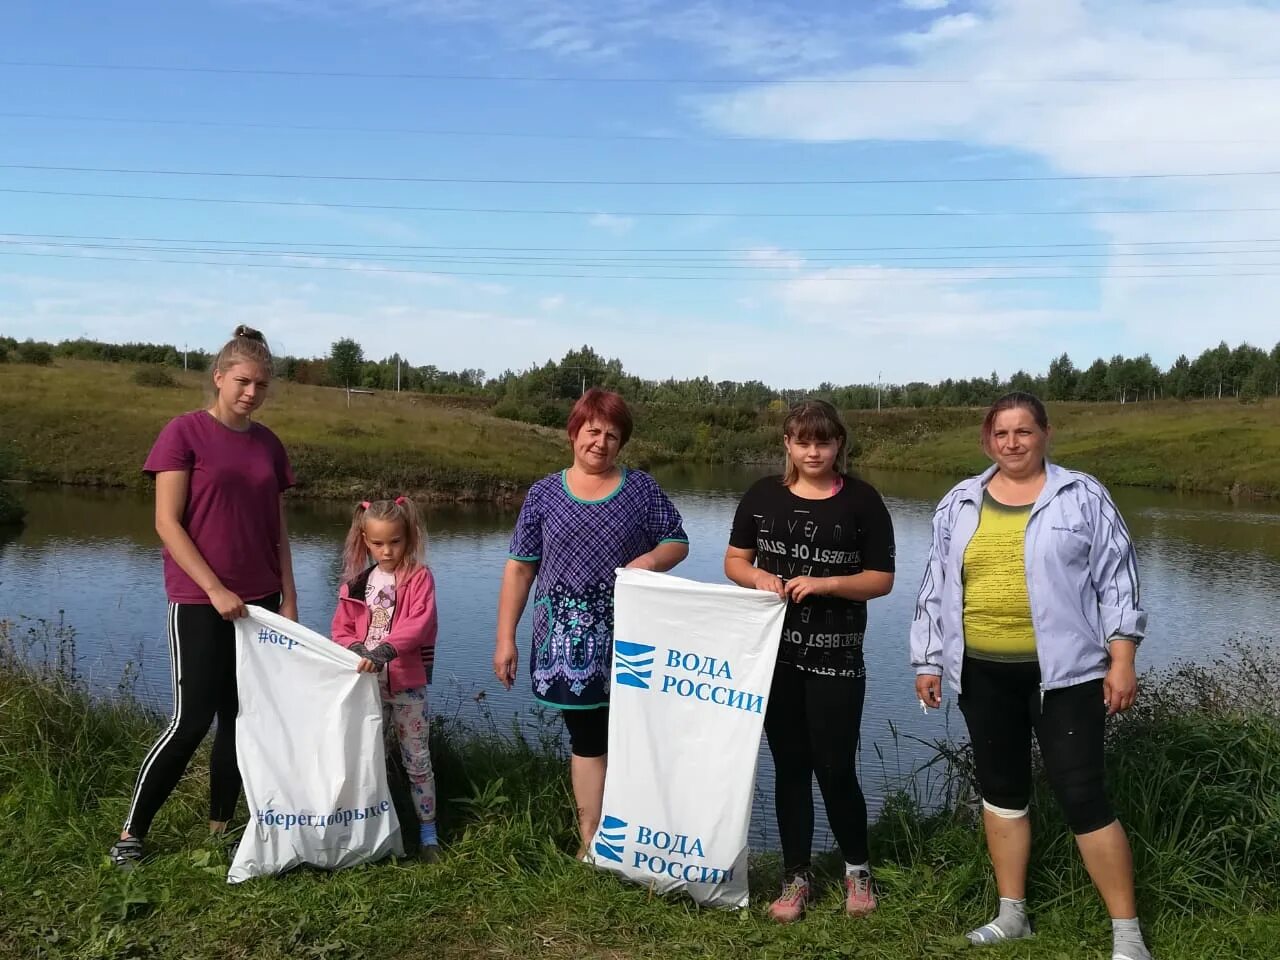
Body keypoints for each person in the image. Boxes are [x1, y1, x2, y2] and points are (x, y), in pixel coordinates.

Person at [910, 392, 1152, 960]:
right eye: (1001, 434)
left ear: (1046, 433)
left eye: (1024, 432)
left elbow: (1117, 580)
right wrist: (928, 659)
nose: (1012, 443)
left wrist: (1122, 657)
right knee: (1001, 793)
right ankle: (1011, 914)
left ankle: (1127, 934)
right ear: (986, 440)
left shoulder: (1082, 495)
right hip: (982, 673)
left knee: (1083, 794)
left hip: (1066, 676)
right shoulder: (959, 502)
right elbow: (934, 585)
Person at [110, 326, 296, 869]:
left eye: (261, 385)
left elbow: (278, 528)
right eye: (242, 381)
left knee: (241, 719)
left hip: (261, 599)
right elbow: (166, 522)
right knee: (191, 719)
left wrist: (287, 597)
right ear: (218, 377)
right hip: (199, 598)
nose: (251, 393)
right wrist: (215, 589)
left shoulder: (269, 443)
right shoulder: (183, 433)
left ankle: (221, 826)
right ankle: (131, 835)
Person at [493, 388, 689, 857]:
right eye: (593, 431)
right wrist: (506, 638)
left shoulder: (641, 489)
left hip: (631, 636)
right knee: (587, 737)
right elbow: (520, 567)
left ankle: (640, 834)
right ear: (574, 433)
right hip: (563, 641)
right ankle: (592, 838)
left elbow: (678, 541)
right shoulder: (543, 493)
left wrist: (651, 561)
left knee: (634, 732)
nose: (601, 442)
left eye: (613, 435)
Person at [724, 399, 895, 923]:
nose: (813, 450)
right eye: (803, 441)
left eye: (823, 441)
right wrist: (759, 578)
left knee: (836, 768)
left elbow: (881, 580)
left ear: (839, 443)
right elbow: (735, 561)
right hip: (773, 658)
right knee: (791, 769)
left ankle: (857, 872)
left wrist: (825, 584)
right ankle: (795, 876)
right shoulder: (760, 497)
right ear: (787, 444)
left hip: (837, 659)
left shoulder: (863, 501)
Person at [331, 496, 441, 862]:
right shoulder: (355, 584)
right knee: (368, 758)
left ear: (408, 537)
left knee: (417, 759)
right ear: (364, 540)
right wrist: (358, 647)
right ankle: (373, 828)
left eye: (395, 541)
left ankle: (428, 833)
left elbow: (419, 625)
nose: (387, 550)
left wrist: (386, 651)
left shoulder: (418, 578)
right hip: (368, 687)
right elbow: (341, 629)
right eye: (378, 543)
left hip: (408, 685)